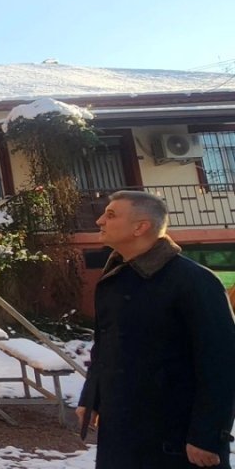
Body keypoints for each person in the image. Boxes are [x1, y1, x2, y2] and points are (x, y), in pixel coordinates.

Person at [76, 190, 235, 468]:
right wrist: (92, 397)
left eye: (111, 215)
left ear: (141, 227)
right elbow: (104, 345)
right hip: (122, 429)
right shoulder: (115, 278)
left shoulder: (194, 281)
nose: (100, 220)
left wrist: (207, 436)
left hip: (175, 437)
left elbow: (221, 363)